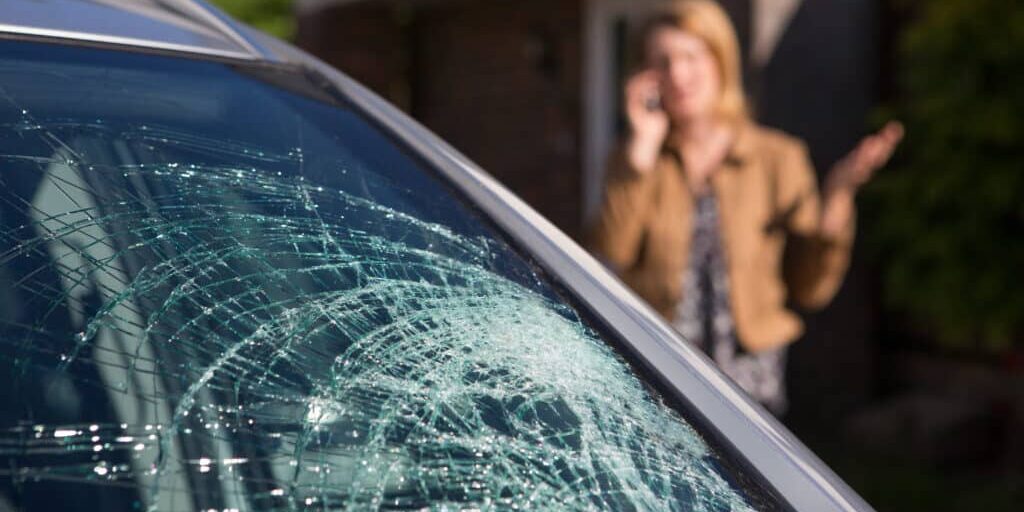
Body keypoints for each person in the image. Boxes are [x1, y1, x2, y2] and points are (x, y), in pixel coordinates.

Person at [587, 0, 903, 415]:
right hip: (658, 376)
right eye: (661, 61)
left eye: (689, 56)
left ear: (719, 60)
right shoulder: (636, 160)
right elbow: (607, 259)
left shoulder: (778, 158)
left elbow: (810, 287)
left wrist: (838, 198)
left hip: (752, 385)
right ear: (645, 77)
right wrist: (639, 156)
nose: (678, 75)